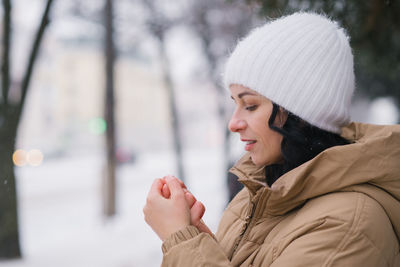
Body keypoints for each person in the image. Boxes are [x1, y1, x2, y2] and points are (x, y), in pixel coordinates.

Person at [143, 12, 400, 266]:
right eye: (235, 103)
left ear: (301, 113)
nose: (233, 123)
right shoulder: (258, 193)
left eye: (251, 105)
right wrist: (197, 237)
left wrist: (180, 240)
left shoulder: (348, 226)